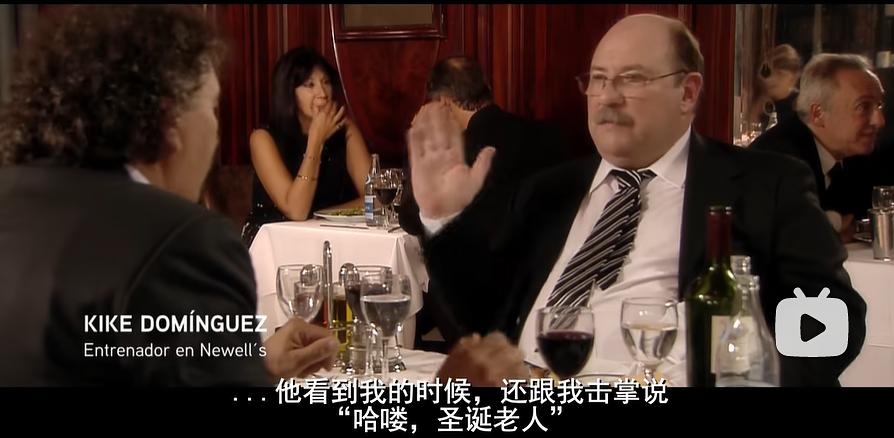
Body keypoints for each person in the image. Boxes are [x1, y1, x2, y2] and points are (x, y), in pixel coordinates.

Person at [0, 4, 527, 387]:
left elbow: (121, 354)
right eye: (211, 108)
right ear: (169, 123)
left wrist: (253, 361)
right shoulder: (184, 244)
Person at [407, 14, 866, 386]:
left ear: (687, 92)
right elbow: (484, 321)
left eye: (631, 79)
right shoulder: (550, 190)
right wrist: (442, 220)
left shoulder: (765, 183)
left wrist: (744, 375)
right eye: (597, 79)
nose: (607, 97)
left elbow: (833, 319)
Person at [399, 56, 573, 349]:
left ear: (443, 102)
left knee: (415, 283)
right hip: (553, 287)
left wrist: (421, 140)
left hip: (486, 306)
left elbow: (410, 217)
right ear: (486, 89)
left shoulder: (461, 152)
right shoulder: (548, 134)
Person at [242, 47, 371, 246]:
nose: (322, 93)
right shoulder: (262, 138)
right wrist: (316, 141)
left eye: (326, 82)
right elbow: (297, 210)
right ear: (289, 93)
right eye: (310, 85)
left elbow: (373, 198)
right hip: (273, 241)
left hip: (329, 235)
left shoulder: (346, 130)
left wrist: (326, 216)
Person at [750, 53, 885, 241]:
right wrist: (831, 226)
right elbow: (783, 235)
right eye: (863, 107)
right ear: (818, 114)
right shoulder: (779, 159)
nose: (880, 121)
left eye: (879, 106)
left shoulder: (857, 153)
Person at [756, 44, 802, 127]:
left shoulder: (800, 108)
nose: (772, 79)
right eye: (769, 73)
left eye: (780, 74)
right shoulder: (762, 102)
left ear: (793, 78)